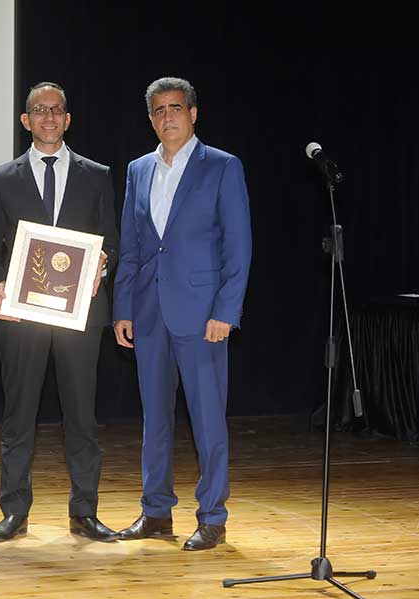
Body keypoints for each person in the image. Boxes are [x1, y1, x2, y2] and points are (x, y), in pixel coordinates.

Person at [112, 77, 252, 551]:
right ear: (150, 119)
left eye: (175, 108)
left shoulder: (222, 166)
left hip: (202, 314)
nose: (167, 116)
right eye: (158, 110)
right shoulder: (138, 170)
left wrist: (226, 311)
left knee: (208, 420)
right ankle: (155, 511)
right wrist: (123, 307)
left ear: (193, 114)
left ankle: (212, 516)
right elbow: (132, 247)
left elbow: (238, 247)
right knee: (154, 420)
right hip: (149, 312)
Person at [0, 82, 120, 543]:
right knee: (19, 416)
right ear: (26, 120)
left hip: (80, 314)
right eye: (40, 110)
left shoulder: (97, 174)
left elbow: (112, 239)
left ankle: (85, 511)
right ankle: (14, 510)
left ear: (68, 119)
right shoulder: (2, 177)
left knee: (82, 416)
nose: (49, 117)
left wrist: (103, 264)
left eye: (57, 110)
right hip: (21, 316)